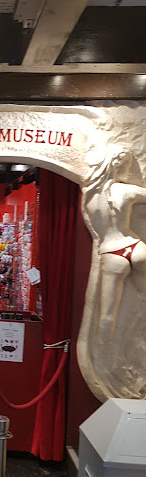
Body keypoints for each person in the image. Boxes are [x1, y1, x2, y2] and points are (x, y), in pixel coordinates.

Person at [82, 148, 146, 357]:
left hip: (112, 252)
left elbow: (94, 229)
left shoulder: (89, 196)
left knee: (107, 315)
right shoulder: (126, 191)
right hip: (135, 245)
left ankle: (106, 357)